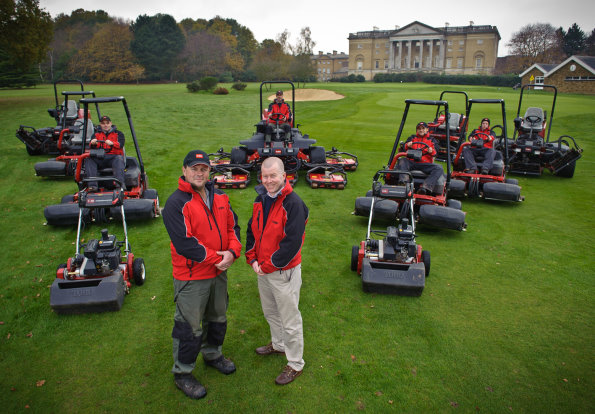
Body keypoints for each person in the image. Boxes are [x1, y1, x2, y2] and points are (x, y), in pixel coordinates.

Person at [162, 149, 242, 400]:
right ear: (184, 170)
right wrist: (220, 258)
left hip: (218, 272)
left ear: (209, 171)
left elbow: (234, 227)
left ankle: (213, 354)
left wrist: (232, 251)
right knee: (189, 327)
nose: (199, 173)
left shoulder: (220, 197)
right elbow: (185, 245)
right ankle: (183, 373)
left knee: (217, 317)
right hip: (192, 276)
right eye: (194, 168)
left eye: (204, 169)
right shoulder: (176, 203)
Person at [245, 157, 309, 386]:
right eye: (265, 176)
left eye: (273, 175)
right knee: (270, 312)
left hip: (284, 272)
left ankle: (295, 363)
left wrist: (266, 265)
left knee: (290, 319)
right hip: (263, 269)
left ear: (284, 176)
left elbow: (292, 243)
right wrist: (252, 258)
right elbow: (252, 230)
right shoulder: (260, 198)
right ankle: (279, 344)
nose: (269, 180)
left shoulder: (294, 203)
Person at [396, 121, 444, 195]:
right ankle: (403, 183)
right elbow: (402, 150)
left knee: (439, 168)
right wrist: (407, 145)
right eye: (419, 129)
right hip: (412, 162)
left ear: (427, 129)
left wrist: (431, 151)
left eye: (423, 128)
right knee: (402, 160)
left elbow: (436, 152)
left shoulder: (432, 140)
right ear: (417, 130)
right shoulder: (412, 138)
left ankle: (426, 187)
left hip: (425, 164)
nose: (421, 130)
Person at [84, 115, 126, 191]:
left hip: (113, 157)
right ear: (100, 124)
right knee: (89, 159)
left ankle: (119, 185)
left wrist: (112, 143)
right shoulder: (96, 134)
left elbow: (120, 145)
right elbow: (91, 147)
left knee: (119, 159)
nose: (105, 125)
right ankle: (92, 186)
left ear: (111, 123)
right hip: (100, 158)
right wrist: (93, 143)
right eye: (103, 123)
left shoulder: (118, 134)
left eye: (107, 123)